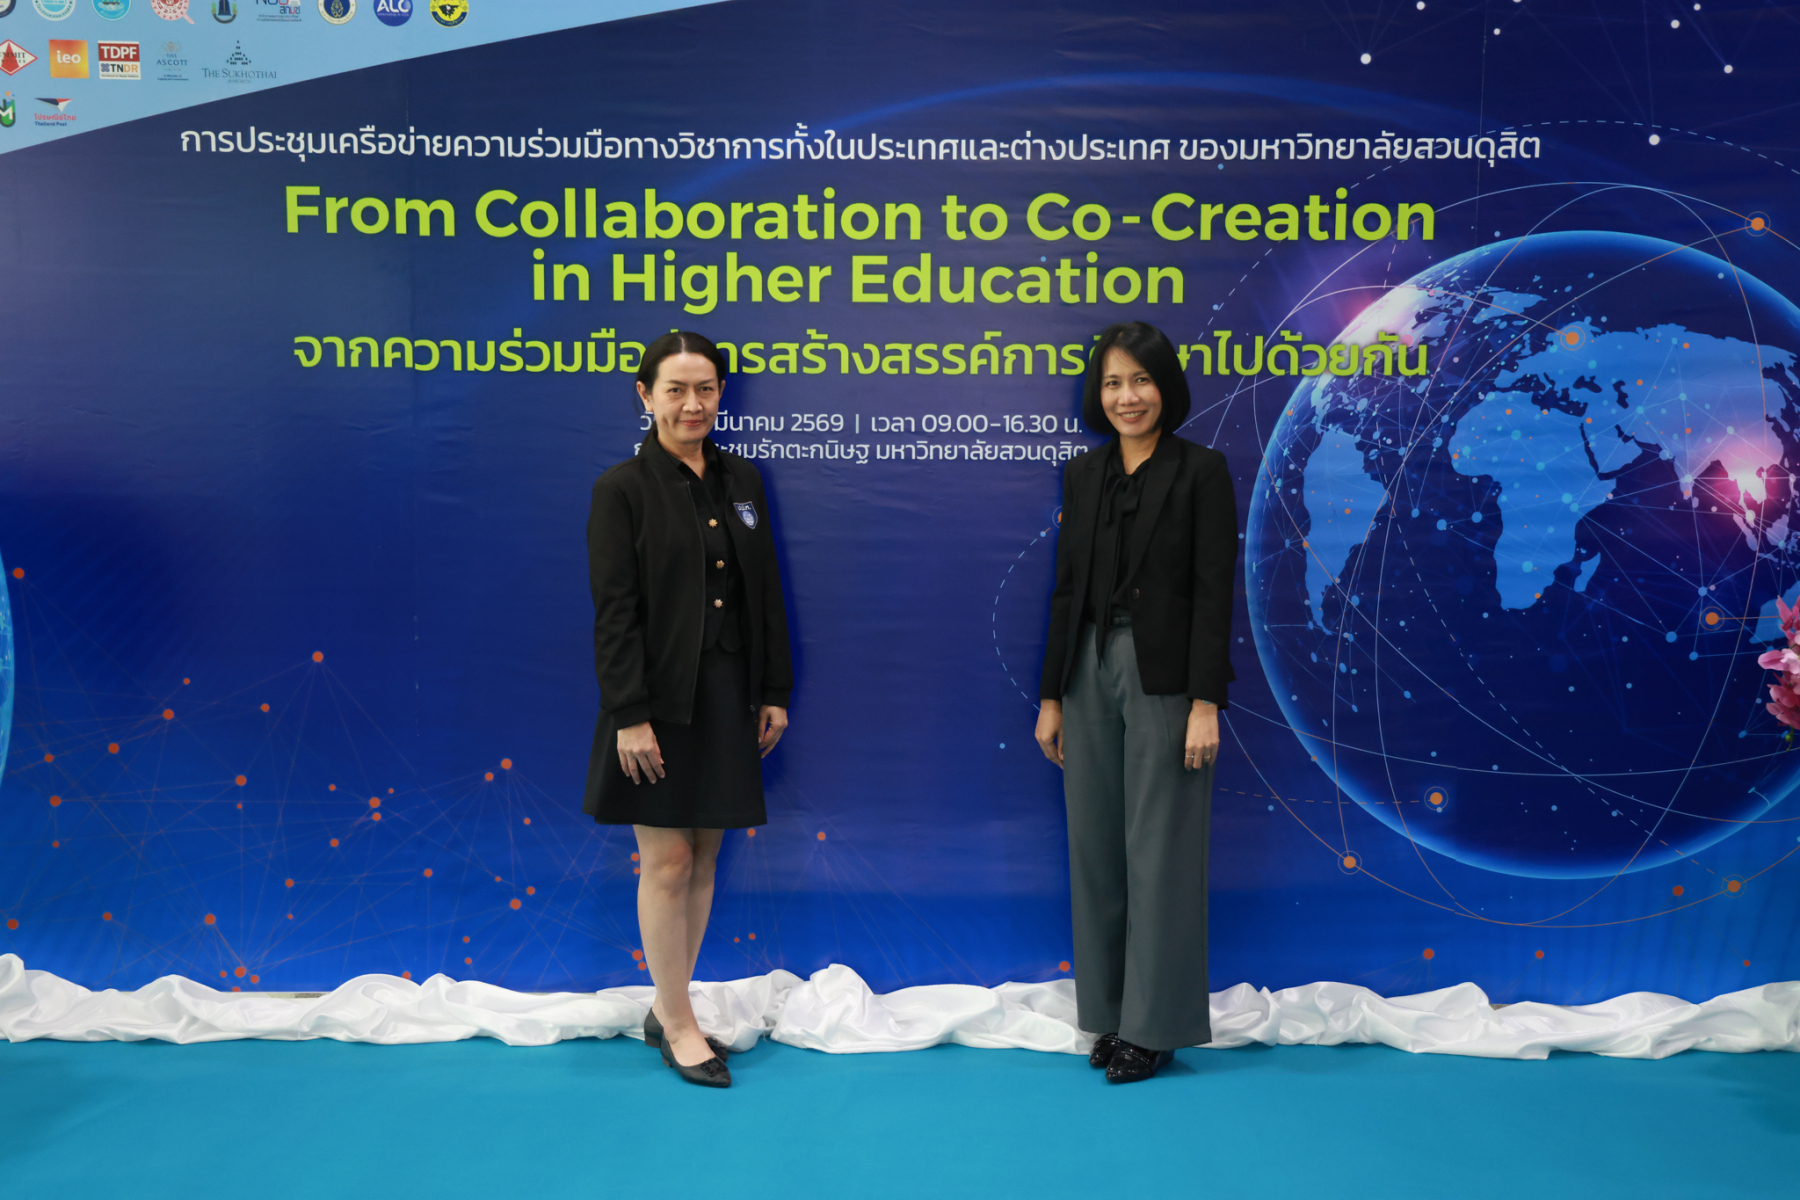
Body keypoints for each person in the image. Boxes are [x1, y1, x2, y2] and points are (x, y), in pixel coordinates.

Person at [583, 331, 793, 1088]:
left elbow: (764, 590)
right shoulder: (621, 490)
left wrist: (775, 691)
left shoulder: (744, 479)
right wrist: (629, 714)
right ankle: (678, 1024)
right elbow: (614, 613)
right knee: (667, 860)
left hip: (730, 693)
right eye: (675, 389)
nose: (692, 404)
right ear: (645, 395)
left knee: (705, 855)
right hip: (656, 703)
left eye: (705, 388)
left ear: (721, 393)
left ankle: (668, 1005)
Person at [1034, 321, 1238, 1084]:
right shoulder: (1084, 474)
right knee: (1096, 851)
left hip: (1166, 679)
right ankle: (1112, 1014)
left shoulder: (1201, 471)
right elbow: (1066, 592)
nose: (1128, 397)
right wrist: (1051, 696)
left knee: (1162, 852)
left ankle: (1156, 1028)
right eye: (1114, 383)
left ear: (1165, 387)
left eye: (1141, 380)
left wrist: (1205, 702)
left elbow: (1215, 595)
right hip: (1087, 668)